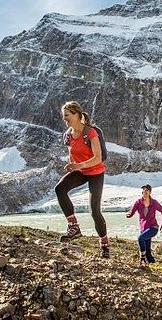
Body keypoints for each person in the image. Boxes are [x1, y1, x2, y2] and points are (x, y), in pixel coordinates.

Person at [55, 101, 110, 258]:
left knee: (94, 211)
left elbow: (98, 158)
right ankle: (74, 226)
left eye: (67, 115)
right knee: (60, 188)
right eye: (63, 115)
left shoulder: (90, 133)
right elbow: (74, 153)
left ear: (77, 115)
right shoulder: (68, 136)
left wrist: (78, 165)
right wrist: (72, 165)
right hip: (81, 171)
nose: (64, 118)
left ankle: (104, 246)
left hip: (95, 172)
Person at [126, 184, 162, 266]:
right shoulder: (138, 202)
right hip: (143, 229)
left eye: (147, 191)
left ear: (150, 192)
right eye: (143, 191)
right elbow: (132, 211)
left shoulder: (154, 203)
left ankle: (142, 259)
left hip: (153, 227)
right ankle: (152, 263)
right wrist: (129, 215)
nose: (145, 193)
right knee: (148, 251)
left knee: (140, 238)